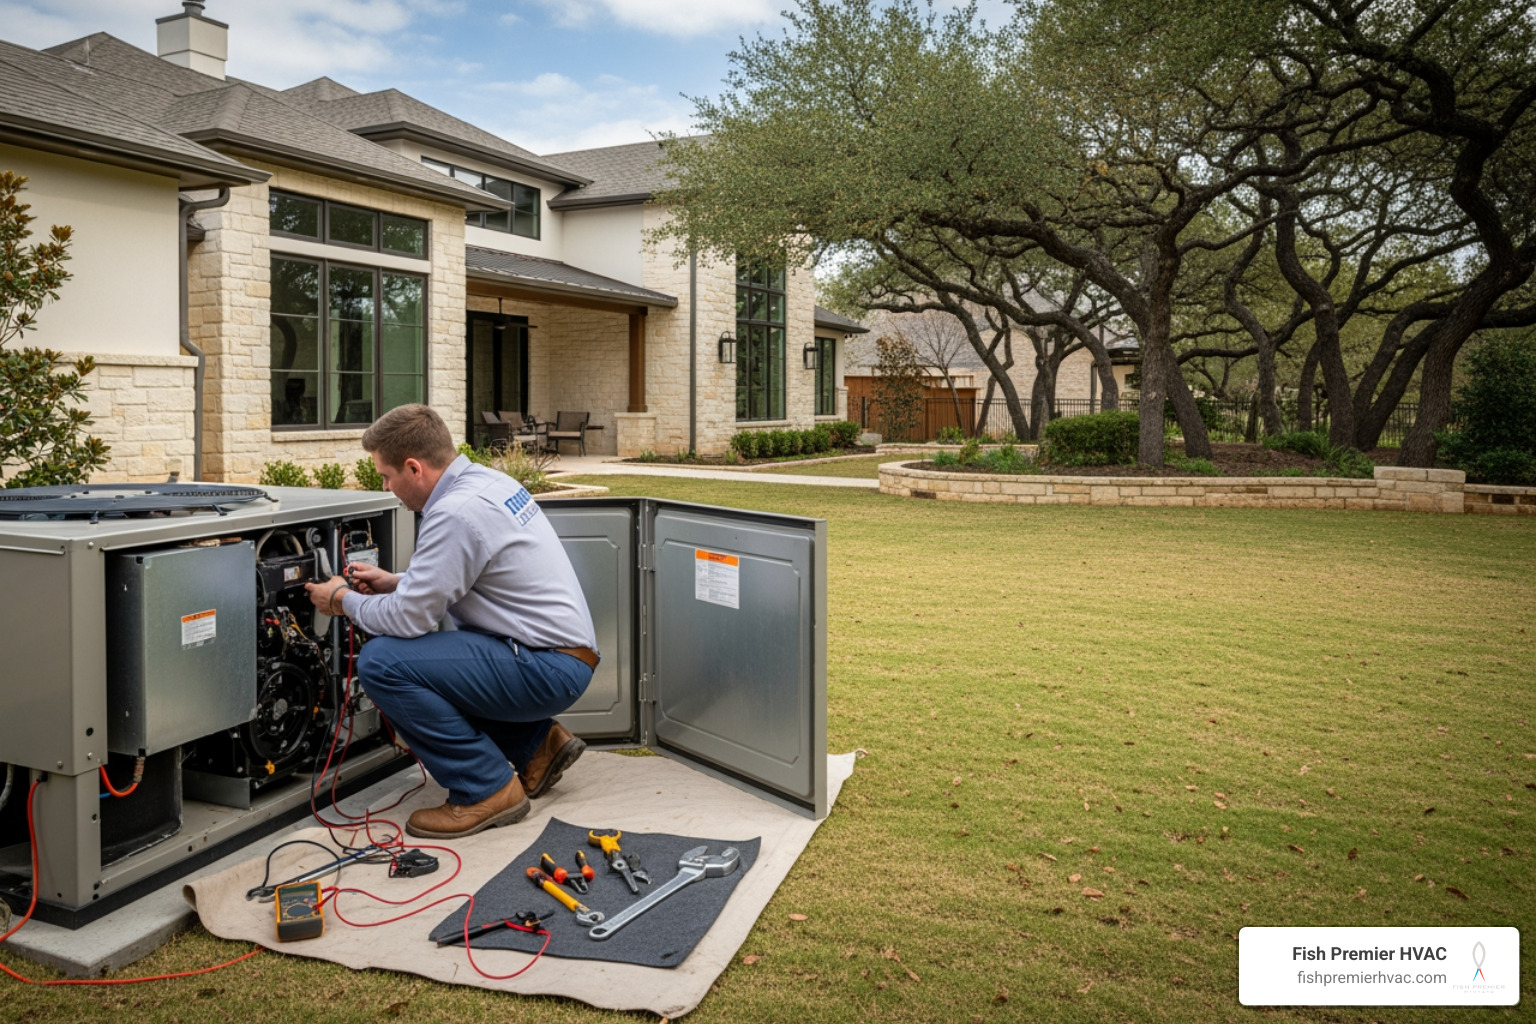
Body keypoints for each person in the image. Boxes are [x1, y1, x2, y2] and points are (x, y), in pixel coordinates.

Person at [304, 404, 597, 840]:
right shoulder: (486, 482)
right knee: (435, 662)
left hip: (546, 667)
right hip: (560, 656)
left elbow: (408, 620)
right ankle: (537, 747)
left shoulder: (454, 513)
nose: (387, 489)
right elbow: (468, 575)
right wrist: (396, 581)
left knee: (384, 662)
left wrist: (341, 600)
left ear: (414, 468)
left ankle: (485, 789)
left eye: (386, 477)